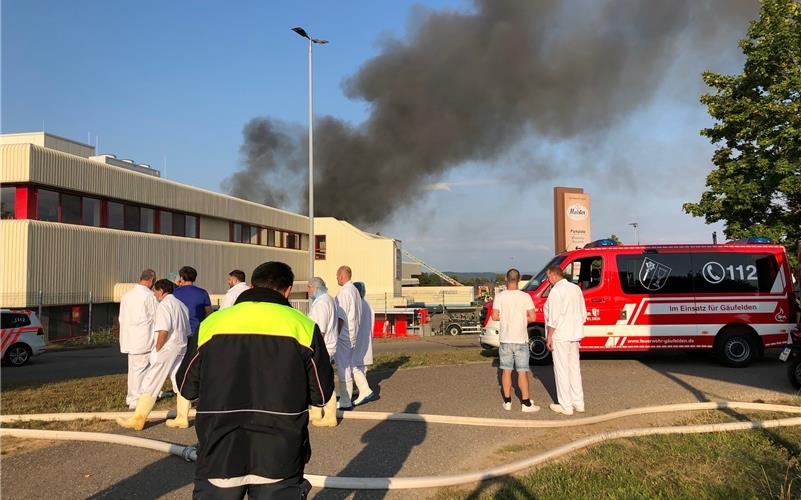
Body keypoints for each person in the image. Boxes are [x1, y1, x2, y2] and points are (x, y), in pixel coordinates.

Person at [177, 261, 334, 498]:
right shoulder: (303, 326)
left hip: (219, 450)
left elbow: (186, 387)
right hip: (279, 454)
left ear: (251, 285)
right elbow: (321, 395)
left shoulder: (211, 324)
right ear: (288, 290)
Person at [117, 279, 190, 430]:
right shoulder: (182, 305)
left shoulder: (164, 306)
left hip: (167, 348)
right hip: (181, 346)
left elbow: (163, 330)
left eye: (156, 291)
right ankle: (182, 418)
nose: (155, 294)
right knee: (179, 381)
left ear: (162, 291)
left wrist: (157, 349)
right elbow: (188, 331)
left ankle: (138, 419)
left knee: (151, 381)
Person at [492, 269, 539, 413]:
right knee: (522, 372)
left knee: (506, 371)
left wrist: (507, 318)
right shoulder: (525, 296)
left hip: (506, 339)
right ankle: (525, 403)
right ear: (519, 280)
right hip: (520, 338)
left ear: (506, 278)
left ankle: (507, 402)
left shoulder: (500, 297)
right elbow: (533, 317)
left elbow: (494, 316)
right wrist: (522, 319)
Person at [544, 265, 587, 416]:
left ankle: (566, 405)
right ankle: (578, 402)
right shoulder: (576, 289)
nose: (548, 280)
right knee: (574, 368)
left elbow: (554, 318)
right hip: (575, 333)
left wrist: (549, 336)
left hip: (561, 335)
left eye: (548, 277)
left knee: (561, 369)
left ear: (554, 275)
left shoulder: (556, 291)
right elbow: (583, 313)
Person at [118, 269, 158, 409]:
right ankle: (136, 399)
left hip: (129, 338)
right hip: (144, 338)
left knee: (134, 370)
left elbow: (121, 318)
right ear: (152, 280)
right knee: (142, 370)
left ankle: (131, 397)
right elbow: (157, 317)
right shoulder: (150, 296)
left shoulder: (127, 295)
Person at [306, 276, 340, 427]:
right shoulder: (327, 300)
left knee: (323, 381)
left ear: (315, 287)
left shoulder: (321, 304)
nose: (307, 290)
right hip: (327, 345)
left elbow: (319, 330)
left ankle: (330, 416)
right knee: (316, 379)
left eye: (309, 287)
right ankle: (316, 412)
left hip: (323, 347)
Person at [335, 265, 361, 410]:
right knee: (348, 365)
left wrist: (335, 334)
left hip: (344, 334)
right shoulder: (355, 290)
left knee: (343, 366)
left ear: (342, 276)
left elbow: (341, 316)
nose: (337, 279)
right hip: (353, 332)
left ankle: (345, 399)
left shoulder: (344, 292)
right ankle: (348, 396)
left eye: (337, 276)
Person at [351, 281, 376, 405]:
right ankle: (359, 389)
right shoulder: (367, 305)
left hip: (357, 339)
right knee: (361, 365)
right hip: (366, 339)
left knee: (352, 364)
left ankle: (364, 390)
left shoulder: (357, 305)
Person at [173, 266, 213, 338]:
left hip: (179, 332)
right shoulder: (203, 293)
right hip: (197, 331)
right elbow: (209, 313)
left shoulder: (174, 293)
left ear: (181, 278)